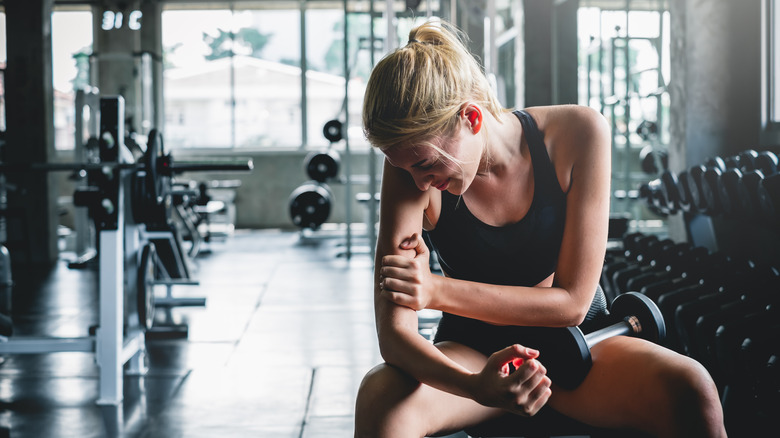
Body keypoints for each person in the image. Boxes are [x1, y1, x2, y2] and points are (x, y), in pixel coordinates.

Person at [354, 19, 727, 438]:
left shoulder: (579, 133)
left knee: (693, 388)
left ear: (471, 118)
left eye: (425, 165)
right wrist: (478, 387)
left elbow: (571, 302)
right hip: (475, 352)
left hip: (575, 343)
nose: (419, 183)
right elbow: (395, 335)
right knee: (380, 397)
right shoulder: (410, 168)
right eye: (403, 168)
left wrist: (436, 290)